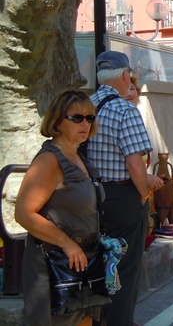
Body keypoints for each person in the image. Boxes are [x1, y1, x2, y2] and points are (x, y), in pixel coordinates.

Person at [87, 51, 164, 326]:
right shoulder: (124, 110)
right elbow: (135, 163)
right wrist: (143, 194)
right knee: (123, 268)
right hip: (122, 197)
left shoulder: (86, 107)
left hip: (89, 197)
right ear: (124, 75)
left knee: (97, 264)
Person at [15, 90, 104, 325]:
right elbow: (24, 213)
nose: (85, 123)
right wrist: (67, 243)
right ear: (57, 121)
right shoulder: (49, 160)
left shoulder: (79, 158)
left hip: (82, 264)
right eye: (77, 118)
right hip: (53, 265)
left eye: (90, 118)